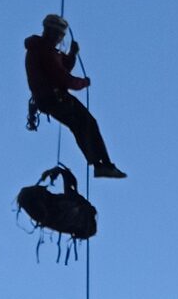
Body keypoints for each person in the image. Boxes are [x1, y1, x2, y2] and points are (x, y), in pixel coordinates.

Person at [23, 14, 126, 178]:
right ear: (52, 33)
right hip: (55, 98)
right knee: (88, 123)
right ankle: (103, 165)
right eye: (59, 35)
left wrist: (72, 54)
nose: (59, 39)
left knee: (80, 126)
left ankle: (99, 164)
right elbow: (63, 77)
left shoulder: (43, 50)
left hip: (48, 99)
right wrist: (83, 83)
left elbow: (62, 68)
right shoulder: (44, 51)